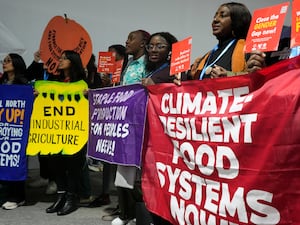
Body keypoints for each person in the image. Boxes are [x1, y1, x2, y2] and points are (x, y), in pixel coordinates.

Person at [111, 29, 150, 225]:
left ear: (143, 43)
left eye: (131, 38)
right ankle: (126, 213)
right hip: (123, 124)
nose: (126, 41)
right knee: (123, 170)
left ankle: (140, 213)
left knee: (138, 174)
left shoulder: (148, 65)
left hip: (140, 125)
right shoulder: (127, 65)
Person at [45, 50, 89, 216]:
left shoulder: (82, 82)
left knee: (73, 164)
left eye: (64, 58)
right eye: (61, 58)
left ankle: (72, 198)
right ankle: (61, 195)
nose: (60, 61)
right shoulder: (53, 80)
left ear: (73, 61)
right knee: (55, 162)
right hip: (55, 130)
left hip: (75, 131)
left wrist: (88, 95)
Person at [88, 45, 128, 209]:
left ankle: (123, 201)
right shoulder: (105, 73)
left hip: (123, 117)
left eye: (112, 52)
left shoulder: (127, 69)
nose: (108, 55)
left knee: (122, 160)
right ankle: (105, 193)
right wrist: (105, 83)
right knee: (107, 157)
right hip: (108, 117)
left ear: (120, 56)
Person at [189, 2, 252, 80]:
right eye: (215, 16)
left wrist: (228, 75)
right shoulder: (206, 57)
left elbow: (256, 78)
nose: (215, 20)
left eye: (222, 16)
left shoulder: (249, 50)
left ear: (236, 21)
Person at [26, 50, 58, 195]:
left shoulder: (58, 73)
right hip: (38, 115)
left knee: (52, 152)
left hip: (53, 115)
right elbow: (26, 76)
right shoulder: (38, 68)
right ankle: (44, 177)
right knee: (40, 148)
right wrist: (36, 61)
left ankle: (54, 180)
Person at [0, 53, 28, 210]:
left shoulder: (23, 84)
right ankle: (6, 194)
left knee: (15, 161)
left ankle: (18, 197)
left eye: (8, 61)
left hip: (17, 131)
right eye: (4, 61)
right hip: (3, 130)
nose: (5, 63)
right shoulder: (2, 82)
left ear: (16, 63)